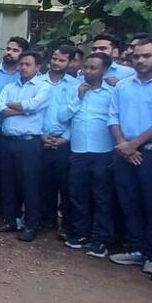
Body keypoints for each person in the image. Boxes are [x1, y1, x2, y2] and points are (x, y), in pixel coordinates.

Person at [107, 38, 152, 270]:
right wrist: (123, 144)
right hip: (124, 152)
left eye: (146, 55)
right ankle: (137, 247)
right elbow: (113, 116)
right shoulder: (124, 85)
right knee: (130, 202)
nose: (140, 60)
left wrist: (134, 144)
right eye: (136, 56)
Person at [59, 53, 116, 255]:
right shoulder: (74, 89)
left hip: (103, 151)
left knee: (101, 196)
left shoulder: (111, 93)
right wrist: (78, 98)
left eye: (94, 68)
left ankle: (100, 238)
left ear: (104, 70)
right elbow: (62, 116)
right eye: (87, 68)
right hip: (78, 150)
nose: (88, 72)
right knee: (78, 194)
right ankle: (81, 232)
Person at [0, 51, 52, 242]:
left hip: (29, 143)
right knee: (8, 183)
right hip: (8, 141)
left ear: (38, 67)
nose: (23, 67)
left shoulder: (44, 86)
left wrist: (12, 106)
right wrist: (21, 109)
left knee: (30, 184)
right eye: (21, 64)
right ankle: (11, 220)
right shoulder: (10, 86)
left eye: (28, 64)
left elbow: (34, 105)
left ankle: (31, 225)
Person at [0, 37, 27, 217]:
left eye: (15, 50)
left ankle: (4, 210)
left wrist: (18, 110)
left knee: (8, 174)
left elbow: (30, 104)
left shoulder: (25, 76)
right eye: (8, 48)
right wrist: (22, 110)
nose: (9, 52)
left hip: (13, 131)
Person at [38, 45, 79, 238]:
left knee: (67, 185)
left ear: (70, 63)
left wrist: (64, 139)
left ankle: (68, 226)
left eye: (62, 60)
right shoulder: (37, 82)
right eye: (54, 58)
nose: (56, 63)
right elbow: (32, 113)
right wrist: (40, 135)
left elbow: (75, 118)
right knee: (44, 184)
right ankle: (47, 221)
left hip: (63, 142)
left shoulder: (75, 86)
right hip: (41, 139)